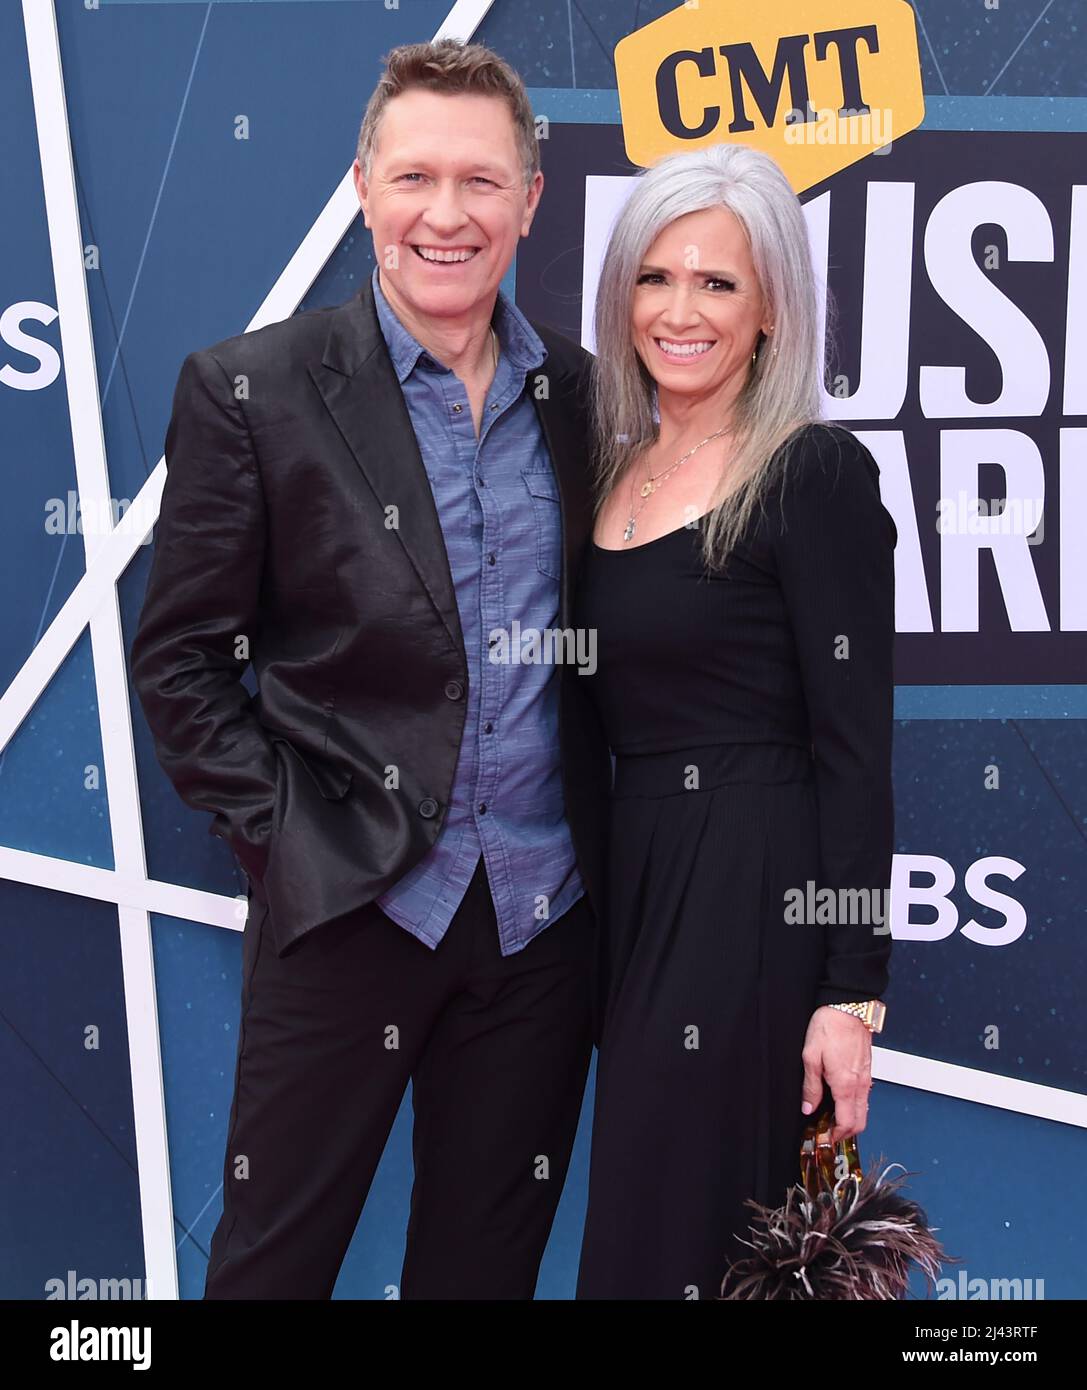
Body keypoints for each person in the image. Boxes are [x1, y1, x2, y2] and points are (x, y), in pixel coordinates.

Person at [130, 38, 610, 1300]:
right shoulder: (251, 390)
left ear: (530, 199)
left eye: (479, 181)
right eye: (413, 179)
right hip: (348, 918)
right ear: (360, 185)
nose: (444, 215)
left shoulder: (586, 397)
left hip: (539, 926)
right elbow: (179, 664)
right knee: (270, 1274)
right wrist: (297, 841)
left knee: (482, 1275)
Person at [573, 142, 897, 1300]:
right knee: (645, 1228)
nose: (680, 309)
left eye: (717, 283)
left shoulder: (809, 472)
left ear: (769, 312)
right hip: (636, 891)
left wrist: (850, 991)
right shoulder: (606, 471)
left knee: (688, 1241)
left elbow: (855, 745)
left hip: (753, 891)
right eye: (655, 276)